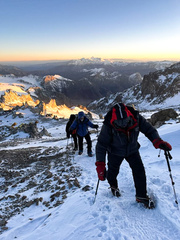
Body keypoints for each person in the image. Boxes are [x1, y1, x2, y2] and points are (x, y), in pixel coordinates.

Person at [95, 103, 172, 208]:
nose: (123, 125)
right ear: (113, 121)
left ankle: (141, 196)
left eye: (125, 122)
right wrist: (100, 164)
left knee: (139, 171)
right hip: (115, 152)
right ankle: (113, 186)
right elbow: (101, 145)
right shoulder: (108, 124)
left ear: (129, 116)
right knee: (113, 171)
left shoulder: (136, 117)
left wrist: (157, 141)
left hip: (132, 150)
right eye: (119, 123)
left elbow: (149, 130)